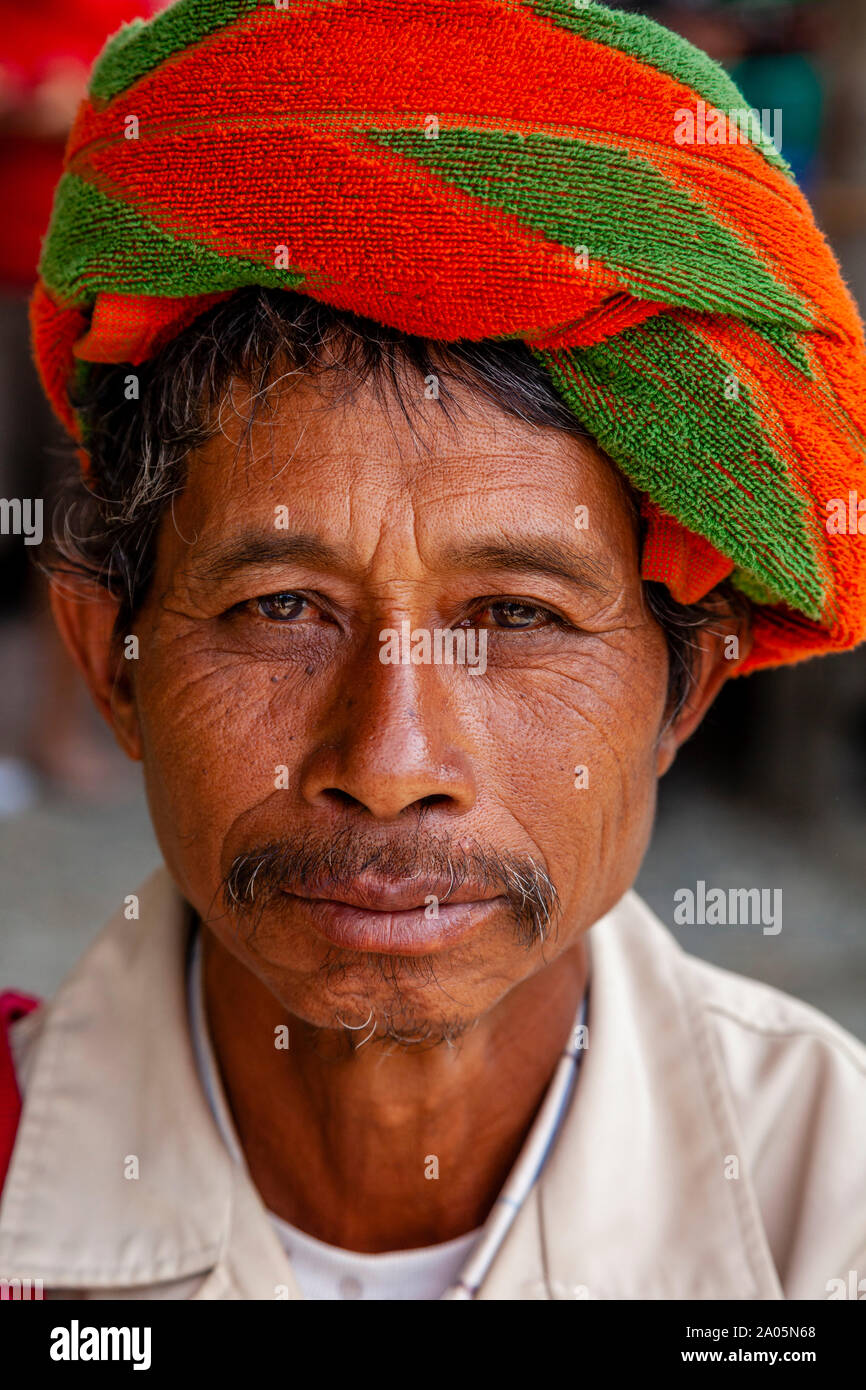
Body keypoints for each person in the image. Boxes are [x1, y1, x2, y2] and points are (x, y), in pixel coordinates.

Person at [1, 0, 865, 1302]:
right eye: (281, 606)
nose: (392, 761)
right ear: (108, 655)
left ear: (684, 683)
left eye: (517, 615)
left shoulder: (831, 1207)